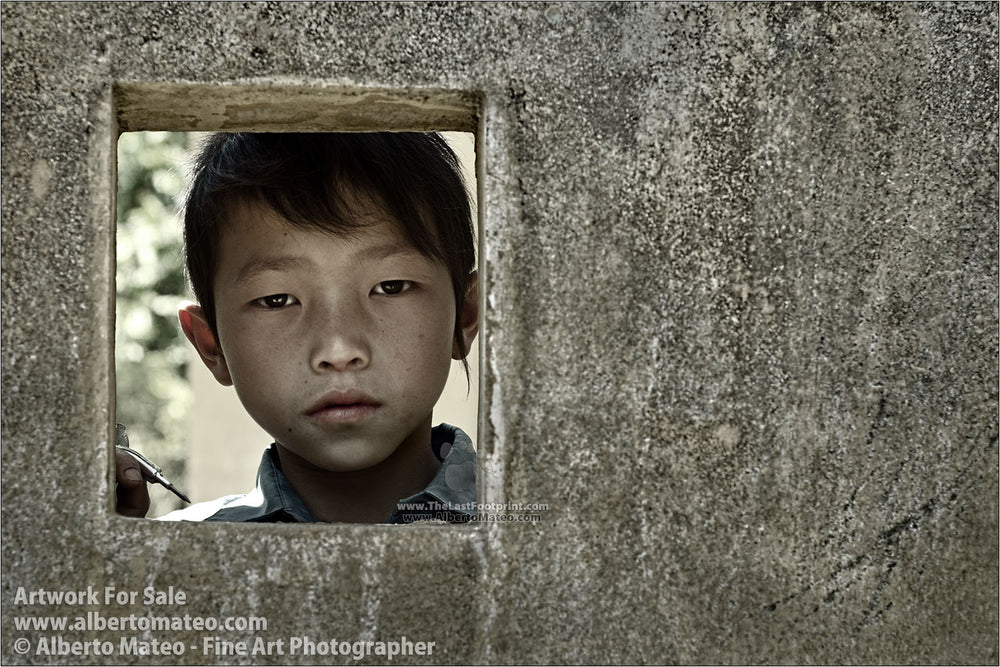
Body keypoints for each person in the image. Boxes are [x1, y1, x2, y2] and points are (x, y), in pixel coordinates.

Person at [115, 132, 479, 524]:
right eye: (276, 300)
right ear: (211, 345)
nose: (338, 350)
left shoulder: (541, 532)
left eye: (389, 287)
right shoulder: (166, 553)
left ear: (466, 315)